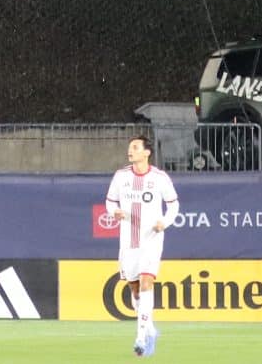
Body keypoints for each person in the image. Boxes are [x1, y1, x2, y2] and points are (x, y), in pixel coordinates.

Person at [104, 132, 180, 357]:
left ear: (147, 152)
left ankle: (140, 337)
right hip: (128, 241)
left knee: (147, 283)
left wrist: (164, 222)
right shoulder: (121, 176)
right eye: (130, 147)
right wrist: (115, 212)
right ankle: (150, 328)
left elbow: (173, 205)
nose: (130, 151)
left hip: (151, 239)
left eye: (135, 147)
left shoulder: (159, 177)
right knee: (135, 289)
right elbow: (110, 202)